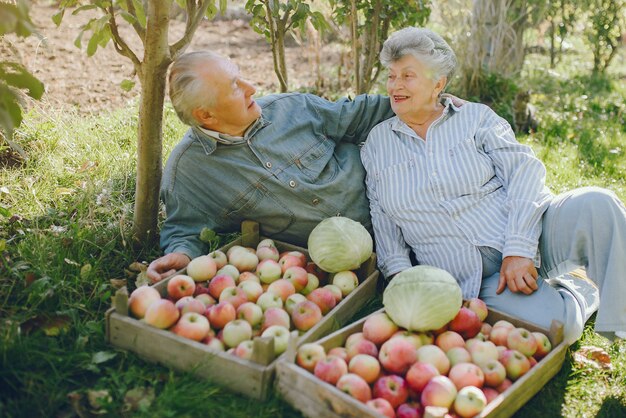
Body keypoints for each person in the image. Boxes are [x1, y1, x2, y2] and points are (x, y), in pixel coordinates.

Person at [360, 27, 626, 344]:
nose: (395, 86)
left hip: (529, 232)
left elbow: (523, 172)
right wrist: (401, 279)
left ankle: (620, 320)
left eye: (407, 75)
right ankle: (579, 287)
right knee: (561, 329)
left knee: (599, 203)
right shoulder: (378, 143)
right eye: (391, 76)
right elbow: (382, 214)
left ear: (438, 84)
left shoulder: (475, 118)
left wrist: (518, 248)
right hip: (474, 280)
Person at [146, 50, 395, 282]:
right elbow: (185, 228)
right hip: (341, 255)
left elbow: (360, 115)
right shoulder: (191, 171)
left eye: (240, 78)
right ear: (206, 116)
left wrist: (424, 99)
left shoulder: (291, 108)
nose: (251, 88)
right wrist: (183, 254)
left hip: (398, 210)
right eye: (235, 88)